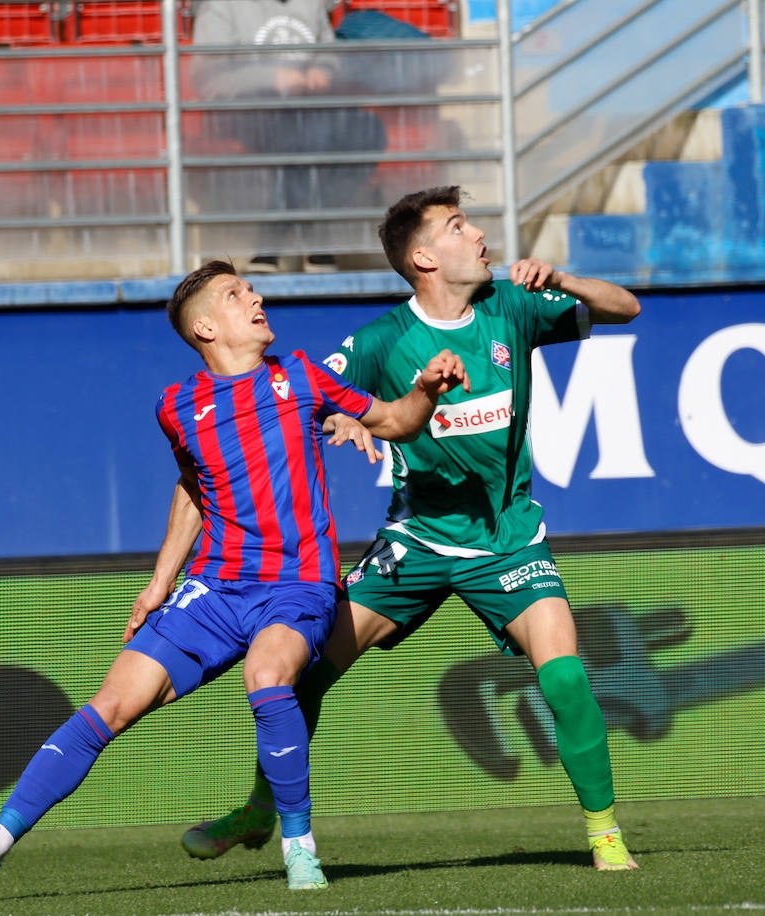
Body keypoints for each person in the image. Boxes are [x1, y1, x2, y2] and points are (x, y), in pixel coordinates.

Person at [0, 259, 468, 892]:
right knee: (111, 704)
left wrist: (427, 389)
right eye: (238, 295)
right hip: (216, 588)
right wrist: (160, 582)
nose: (257, 298)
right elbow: (194, 485)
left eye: (251, 289)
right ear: (207, 327)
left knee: (267, 678)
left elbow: (397, 420)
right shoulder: (179, 407)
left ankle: (299, 851)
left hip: (298, 583)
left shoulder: (300, 375)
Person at [178, 186, 645, 870]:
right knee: (299, 672)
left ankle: (604, 834)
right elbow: (312, 398)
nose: (480, 235)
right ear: (424, 256)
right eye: (460, 226)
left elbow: (626, 307)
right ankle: (258, 809)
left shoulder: (513, 306)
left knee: (566, 677)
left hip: (507, 539)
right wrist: (339, 417)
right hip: (416, 541)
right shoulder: (382, 341)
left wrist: (566, 278)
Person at [190, 0, 387, 274]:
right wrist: (272, 78)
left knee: (368, 131)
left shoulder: (312, 4)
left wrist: (323, 70)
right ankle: (306, 242)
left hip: (308, 109)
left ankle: (275, 244)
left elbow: (328, 53)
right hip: (244, 109)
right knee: (305, 137)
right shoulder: (221, 7)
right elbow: (208, 76)